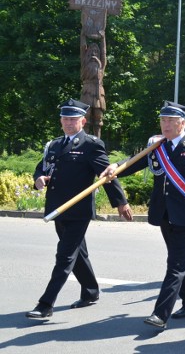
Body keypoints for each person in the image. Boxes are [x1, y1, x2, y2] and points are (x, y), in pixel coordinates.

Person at [101, 101, 185, 329]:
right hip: (163, 212)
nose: (166, 124)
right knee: (178, 259)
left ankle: (160, 314)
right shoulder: (157, 146)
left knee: (175, 264)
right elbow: (136, 162)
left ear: (182, 123)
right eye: (163, 120)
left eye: (171, 120)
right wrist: (116, 166)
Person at [26, 99, 132, 319]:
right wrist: (38, 180)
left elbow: (107, 175)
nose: (68, 123)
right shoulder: (54, 145)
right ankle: (91, 292)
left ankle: (45, 304)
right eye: (65, 119)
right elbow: (40, 169)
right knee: (78, 254)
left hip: (78, 210)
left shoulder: (91, 144)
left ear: (83, 121)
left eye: (73, 119)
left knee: (64, 255)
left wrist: (121, 202)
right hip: (56, 208)